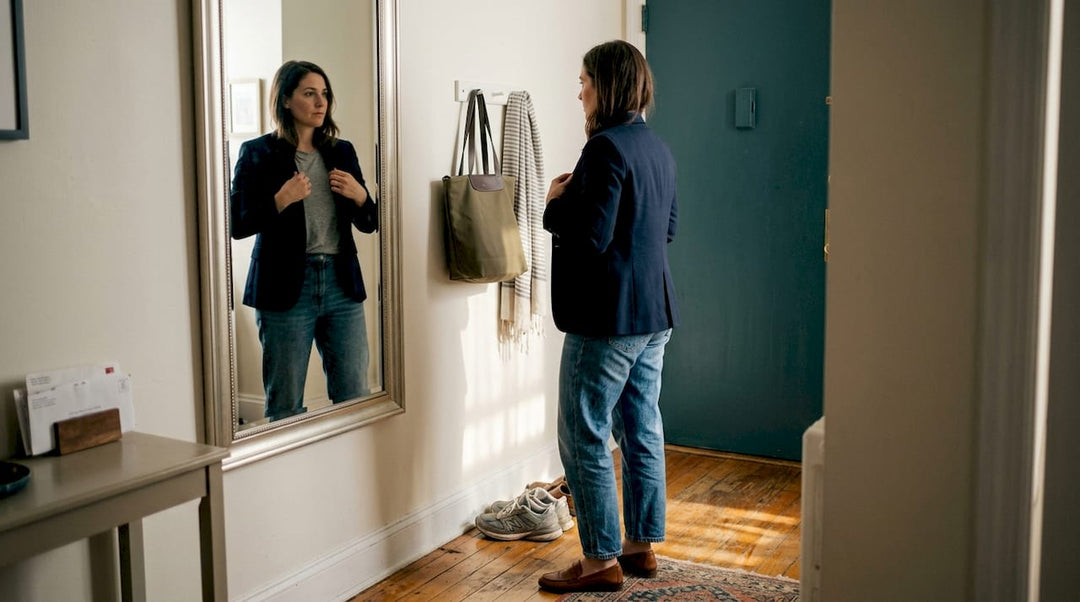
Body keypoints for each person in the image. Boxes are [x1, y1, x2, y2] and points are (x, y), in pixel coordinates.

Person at [538, 40, 680, 594]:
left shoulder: (603, 149)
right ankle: (640, 547)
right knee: (641, 425)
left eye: (585, 81)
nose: (580, 92)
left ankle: (599, 561)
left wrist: (552, 205)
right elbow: (666, 230)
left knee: (583, 431)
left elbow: (591, 234)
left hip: (608, 319)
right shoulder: (657, 148)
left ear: (609, 84)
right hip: (655, 311)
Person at [230, 60, 378, 422]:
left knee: (354, 395)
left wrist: (361, 195)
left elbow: (370, 222)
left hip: (341, 287)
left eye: (324, 94)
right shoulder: (257, 153)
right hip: (284, 291)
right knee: (285, 404)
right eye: (309, 93)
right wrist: (281, 199)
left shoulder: (342, 151)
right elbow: (237, 224)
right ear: (285, 100)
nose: (320, 102)